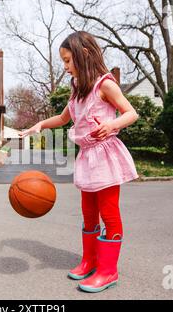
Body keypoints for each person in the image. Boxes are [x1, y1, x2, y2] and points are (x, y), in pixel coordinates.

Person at [18, 31, 139, 293]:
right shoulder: (77, 88)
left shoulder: (105, 85)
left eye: (67, 60)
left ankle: (108, 271)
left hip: (105, 153)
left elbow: (131, 113)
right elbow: (63, 119)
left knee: (109, 212)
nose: (64, 66)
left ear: (84, 55)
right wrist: (37, 125)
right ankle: (91, 260)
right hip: (87, 156)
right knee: (88, 213)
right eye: (62, 61)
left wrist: (112, 124)